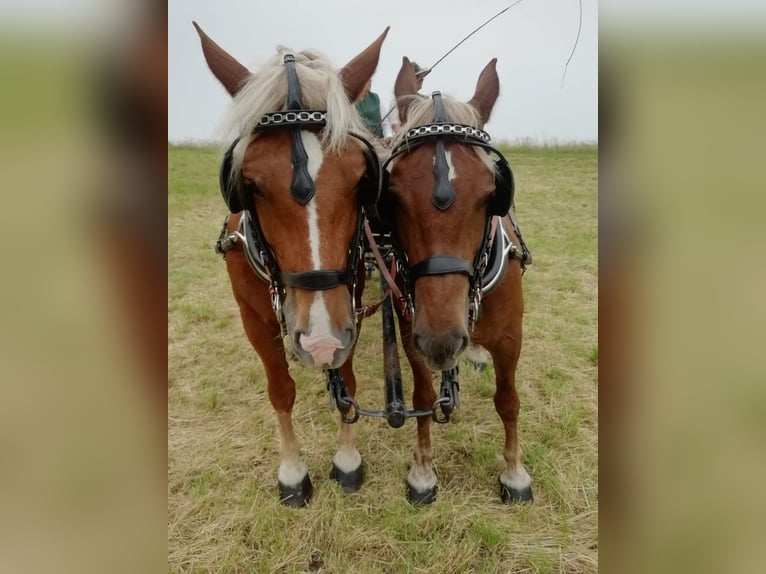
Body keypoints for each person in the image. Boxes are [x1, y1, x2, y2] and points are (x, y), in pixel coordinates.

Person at [389, 61, 430, 134]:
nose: (422, 79)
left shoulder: (426, 100)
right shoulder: (397, 101)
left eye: (422, 77)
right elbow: (396, 127)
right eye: (417, 76)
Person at [354, 78, 394, 147]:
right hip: (359, 144)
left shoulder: (375, 98)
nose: (370, 82)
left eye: (370, 80)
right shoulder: (350, 101)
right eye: (367, 80)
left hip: (379, 143)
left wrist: (388, 136)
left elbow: (385, 123)